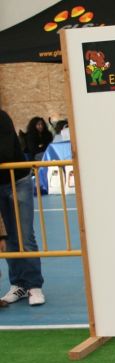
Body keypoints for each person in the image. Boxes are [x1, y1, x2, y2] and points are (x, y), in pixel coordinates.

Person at [0, 108, 45, 306]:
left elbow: (6, 151)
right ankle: (17, 284)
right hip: (0, 184)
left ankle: (34, 285)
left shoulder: (2, 118)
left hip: (18, 181)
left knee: (25, 235)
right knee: (8, 237)